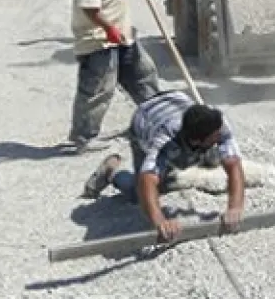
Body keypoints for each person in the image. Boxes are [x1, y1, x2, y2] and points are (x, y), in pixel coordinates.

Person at [81, 90, 246, 242]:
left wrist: (235, 207)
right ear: (197, 140)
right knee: (142, 194)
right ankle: (112, 172)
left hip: (174, 100)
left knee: (214, 157)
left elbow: (233, 164)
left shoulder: (217, 123)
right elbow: (148, 179)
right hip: (145, 120)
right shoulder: (163, 140)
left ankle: (196, 155)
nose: (220, 135)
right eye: (214, 137)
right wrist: (160, 221)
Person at [67, 0, 162, 154]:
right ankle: (84, 137)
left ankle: (159, 121)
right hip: (99, 38)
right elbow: (89, 5)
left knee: (144, 76)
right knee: (98, 89)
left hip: (123, 35)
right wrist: (108, 29)